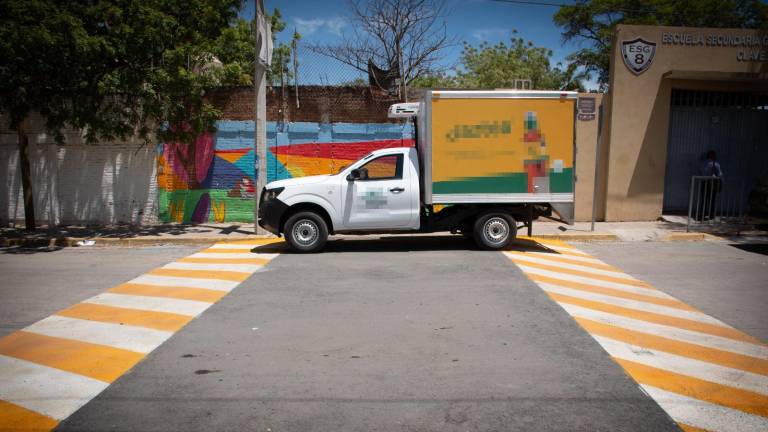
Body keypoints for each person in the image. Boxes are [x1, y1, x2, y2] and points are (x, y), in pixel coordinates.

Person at [697, 150, 723, 221]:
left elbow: (700, 172)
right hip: (712, 183)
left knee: (704, 199)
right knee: (712, 199)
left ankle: (702, 214)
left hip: (704, 182)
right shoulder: (716, 164)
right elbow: (720, 174)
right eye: (714, 155)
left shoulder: (702, 163)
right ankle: (711, 215)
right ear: (712, 156)